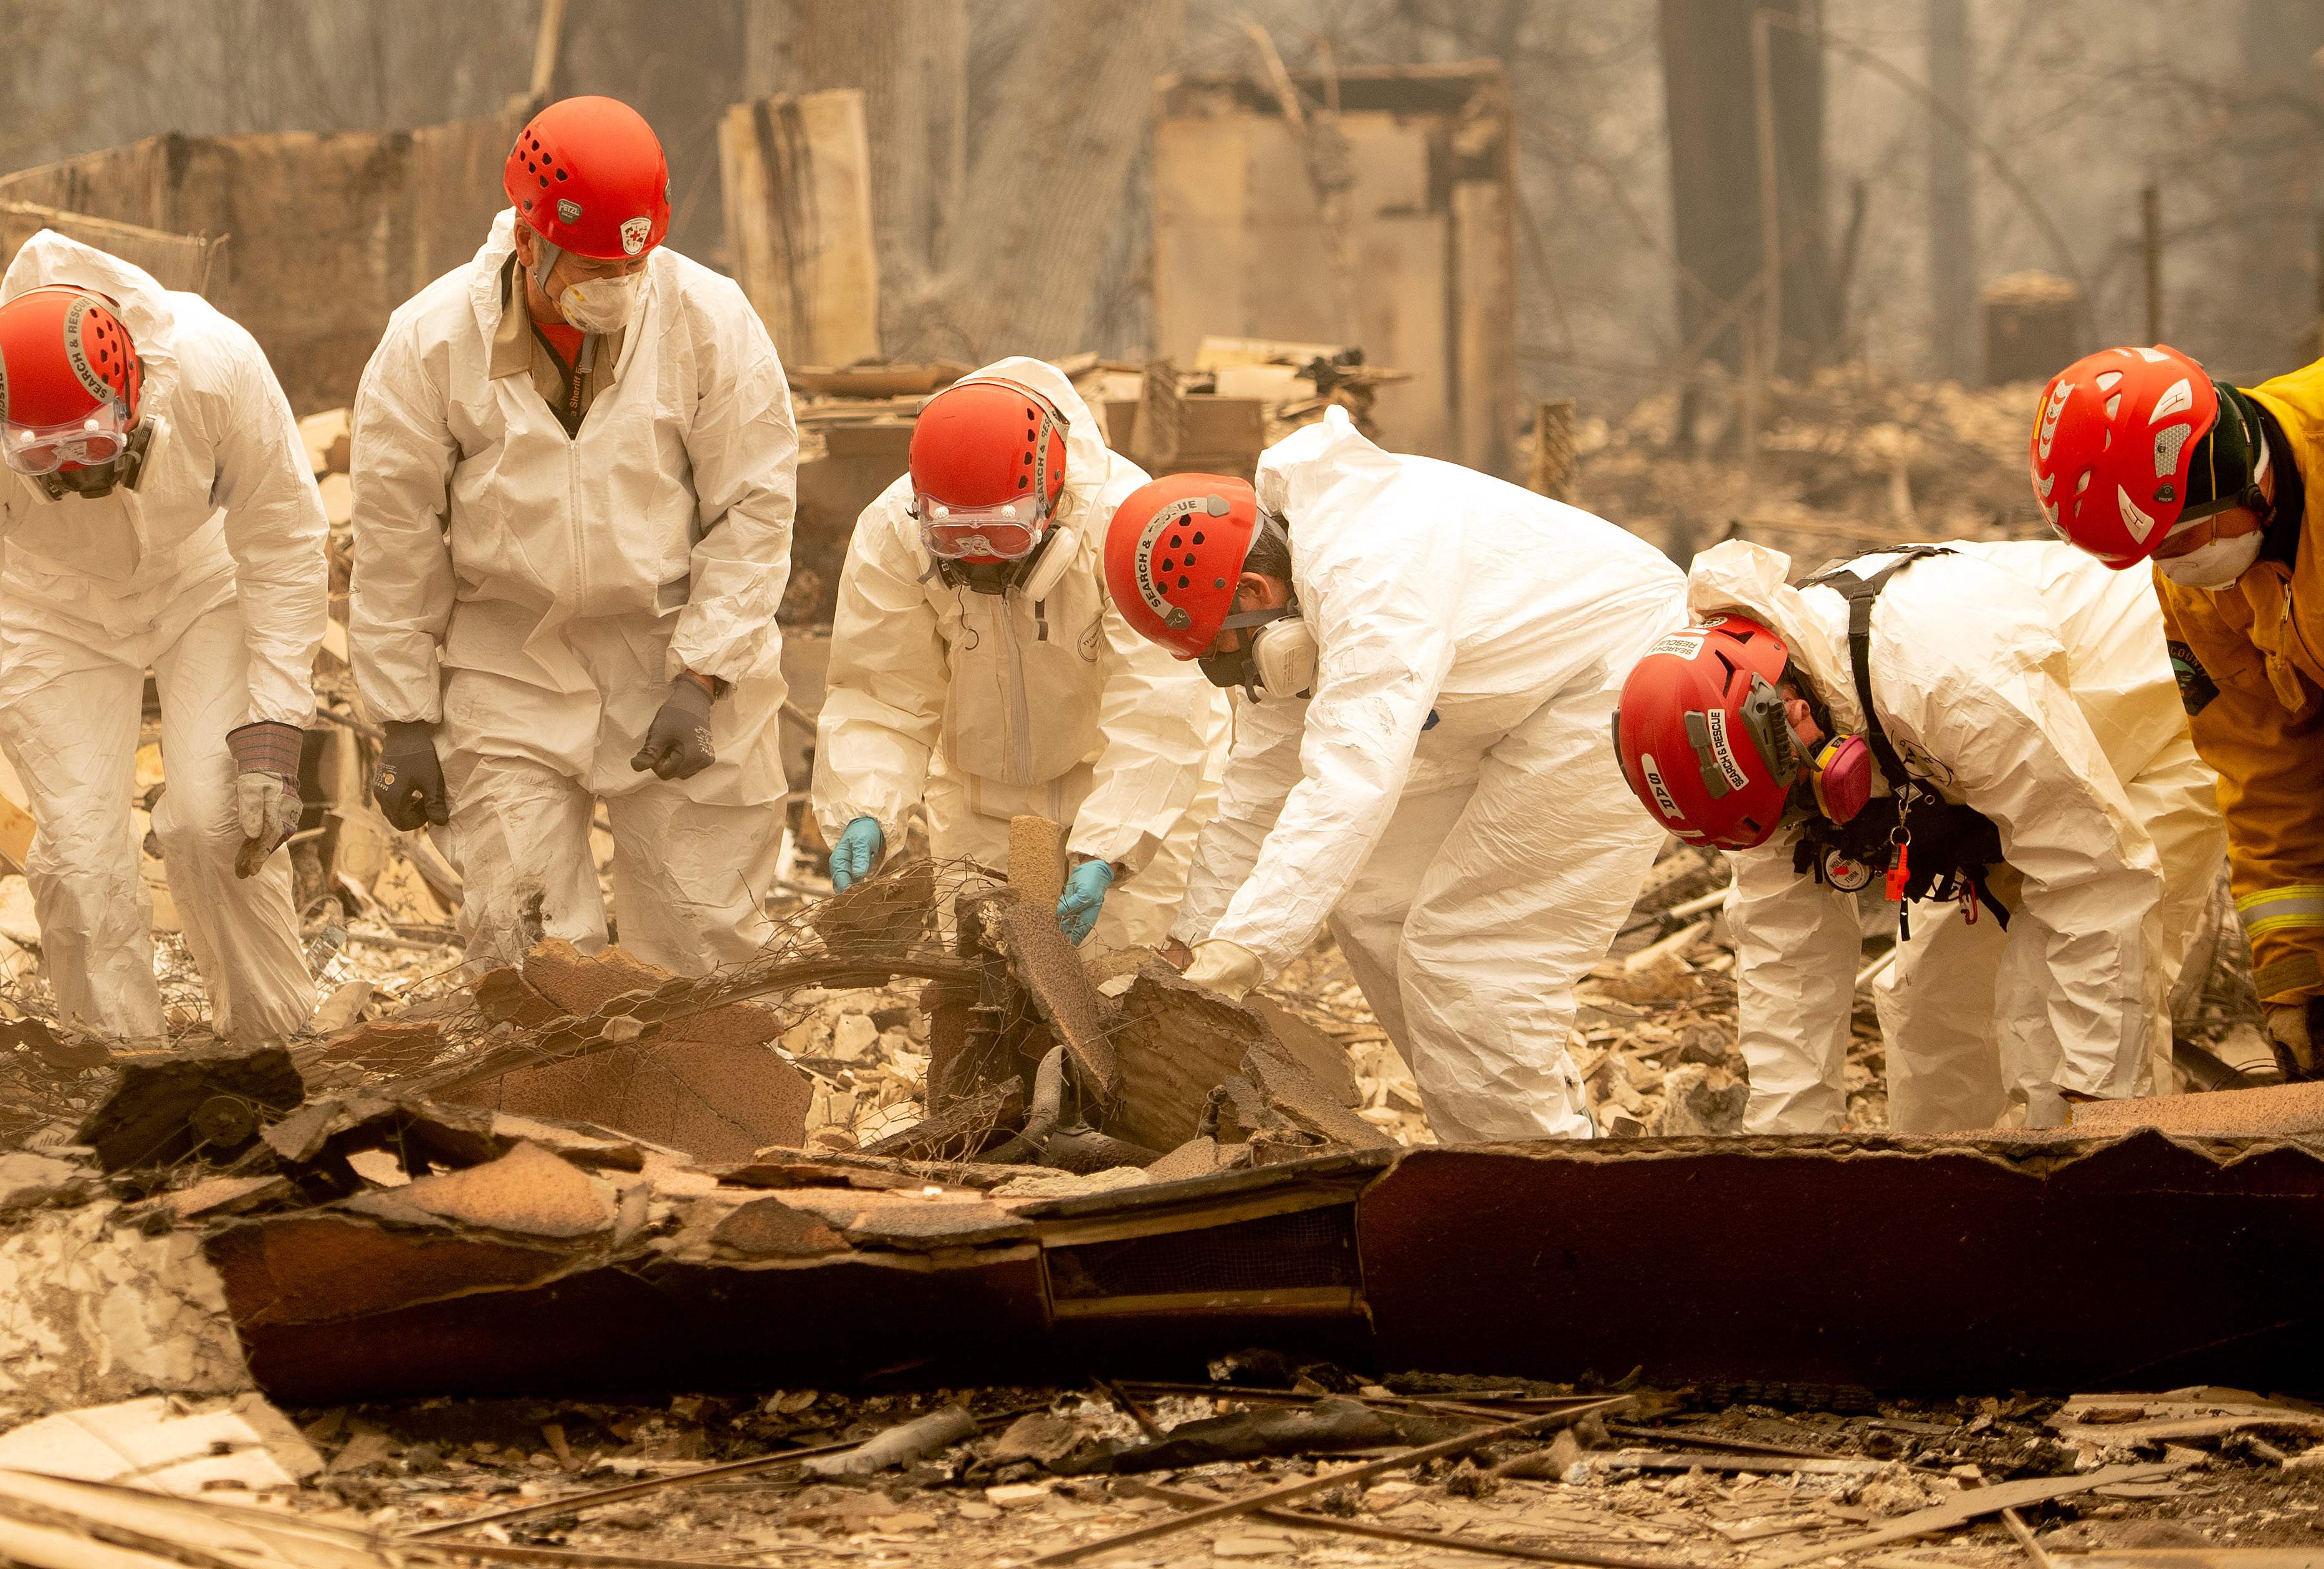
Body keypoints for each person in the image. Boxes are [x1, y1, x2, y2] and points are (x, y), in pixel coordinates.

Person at [1102, 412, 1687, 1142]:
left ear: (1253, 589)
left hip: (1620, 679)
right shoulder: (1292, 598)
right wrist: (1192, 945)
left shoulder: (1369, 570)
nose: (1230, 668)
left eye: (1222, 649)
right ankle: (1485, 1145)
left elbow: (1352, 775)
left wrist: (1245, 950)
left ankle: (1550, 1185)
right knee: (1374, 894)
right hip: (1517, 700)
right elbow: (1260, 791)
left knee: (1472, 955)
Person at [350, 94, 796, 975]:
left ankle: (703, 1112)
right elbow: (396, 541)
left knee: (706, 941)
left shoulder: (712, 323)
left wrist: (704, 675)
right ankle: (544, 1113)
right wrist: (401, 717)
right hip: (511, 660)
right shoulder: (430, 344)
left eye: (630, 268)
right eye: (591, 270)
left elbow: (754, 507)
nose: (616, 291)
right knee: (529, 947)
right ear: (528, 241)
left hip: (673, 651)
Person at [1614, 538, 2217, 1132]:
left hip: (2156, 716)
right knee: (1937, 1028)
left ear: (1789, 706)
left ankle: (2100, 1200)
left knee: (2051, 1042)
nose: (1808, 805)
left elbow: (2096, 881)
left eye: (1801, 786)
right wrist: (1791, 1164)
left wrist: (2100, 1118)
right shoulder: (1756, 765)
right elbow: (1786, 958)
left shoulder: (1939, 675)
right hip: (1993, 786)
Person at [0, 234, 325, 1039]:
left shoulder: (213, 365)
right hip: (49, 609)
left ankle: (273, 1041)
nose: (71, 480)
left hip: (199, 578)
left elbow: (282, 538)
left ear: (134, 388)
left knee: (215, 818)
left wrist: (275, 724)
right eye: (44, 460)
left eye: (89, 448)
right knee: (84, 855)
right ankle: (116, 1065)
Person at [810, 362, 1227, 945]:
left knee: (1123, 995)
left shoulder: (1128, 526)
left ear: (1051, 491)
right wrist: (865, 802)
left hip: (1134, 787)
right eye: (957, 538)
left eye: (1003, 536)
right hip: (982, 797)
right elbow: (882, 692)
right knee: (989, 1000)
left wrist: (1109, 847)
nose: (982, 556)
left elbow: (1158, 714)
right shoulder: (892, 528)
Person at [2030, 342, 2324, 1074]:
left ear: (2243, 476)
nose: (2175, 566)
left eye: (2181, 538)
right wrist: (2296, 980)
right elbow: (2262, 765)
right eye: (2151, 552)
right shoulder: (2197, 582)